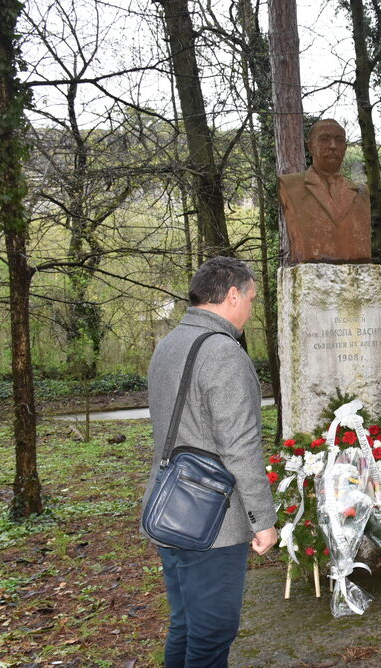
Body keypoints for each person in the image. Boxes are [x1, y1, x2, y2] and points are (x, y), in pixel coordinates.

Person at [142, 256, 278, 667]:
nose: (251, 309)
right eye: (251, 299)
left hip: (169, 507)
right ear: (232, 294)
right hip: (211, 521)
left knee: (186, 624)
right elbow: (240, 446)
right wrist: (263, 520)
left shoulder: (169, 344)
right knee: (212, 632)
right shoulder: (223, 353)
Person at [278, 118, 372, 263]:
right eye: (324, 139)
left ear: (345, 147)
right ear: (310, 146)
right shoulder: (291, 186)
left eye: (339, 140)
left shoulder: (361, 192)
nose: (333, 146)